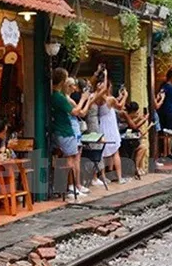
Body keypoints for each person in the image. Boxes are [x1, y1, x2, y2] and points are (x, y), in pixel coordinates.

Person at [51, 68, 94, 196]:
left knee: (73, 157)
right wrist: (84, 99)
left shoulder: (56, 96)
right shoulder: (59, 97)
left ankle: (73, 186)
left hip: (63, 130)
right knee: (71, 158)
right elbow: (75, 112)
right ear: (63, 81)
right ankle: (71, 187)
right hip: (65, 131)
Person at [96, 81, 129, 185]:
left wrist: (119, 97)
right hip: (110, 126)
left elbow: (112, 104)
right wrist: (125, 96)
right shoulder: (110, 99)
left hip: (102, 125)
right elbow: (119, 106)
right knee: (115, 152)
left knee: (101, 152)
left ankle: (104, 176)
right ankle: (119, 177)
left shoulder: (98, 98)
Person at [121, 102, 150, 177]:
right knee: (137, 147)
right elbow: (134, 126)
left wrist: (140, 119)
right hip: (124, 141)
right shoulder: (124, 115)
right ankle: (135, 168)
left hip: (129, 139)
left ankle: (137, 167)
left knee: (143, 147)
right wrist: (144, 120)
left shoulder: (128, 117)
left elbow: (132, 124)